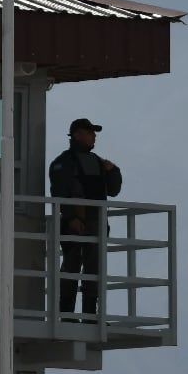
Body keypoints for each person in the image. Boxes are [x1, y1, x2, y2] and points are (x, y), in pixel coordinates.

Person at [48, 117, 122, 319]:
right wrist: (72, 218)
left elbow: (114, 190)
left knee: (93, 270)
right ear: (78, 135)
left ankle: (90, 316)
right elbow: (60, 194)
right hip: (75, 225)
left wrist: (113, 171)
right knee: (72, 267)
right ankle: (66, 314)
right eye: (90, 133)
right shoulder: (63, 163)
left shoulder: (97, 162)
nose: (94, 137)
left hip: (95, 223)